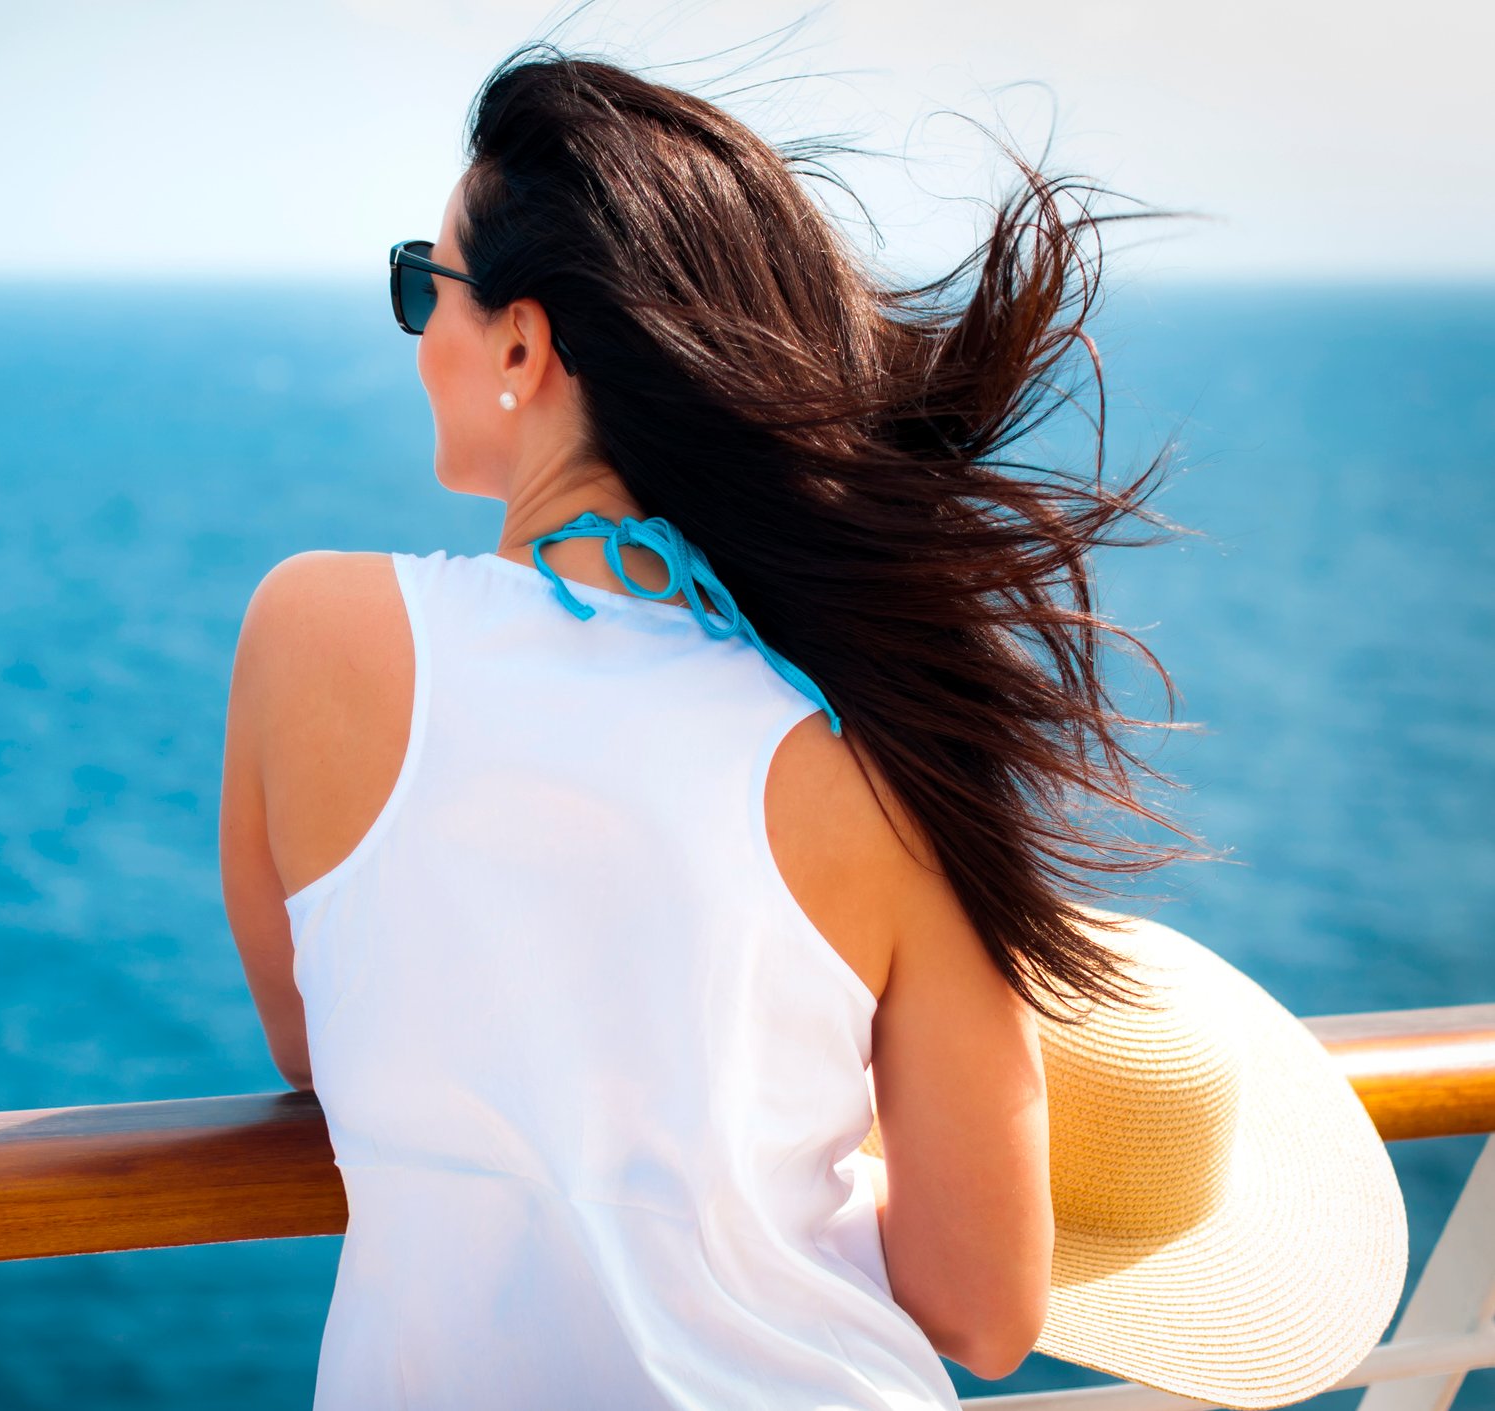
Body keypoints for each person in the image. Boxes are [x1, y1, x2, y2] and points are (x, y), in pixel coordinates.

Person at [218, 42, 1186, 1411]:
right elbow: (980, 1313)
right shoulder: (884, 741)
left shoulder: (309, 635)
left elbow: (326, 1042)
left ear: (520, 338)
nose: (416, 326)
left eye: (419, 284)